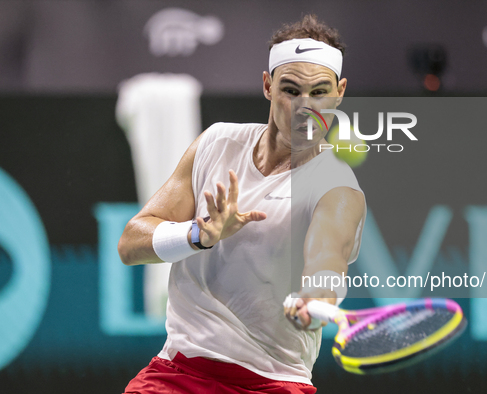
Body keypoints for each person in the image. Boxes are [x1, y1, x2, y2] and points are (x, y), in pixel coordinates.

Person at [118, 14, 366, 394]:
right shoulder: (216, 143)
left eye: (319, 92)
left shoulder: (337, 189)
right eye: (290, 90)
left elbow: (326, 260)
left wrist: (313, 299)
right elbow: (130, 244)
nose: (305, 107)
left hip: (275, 383)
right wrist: (197, 233)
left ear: (340, 92)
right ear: (267, 86)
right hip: (179, 373)